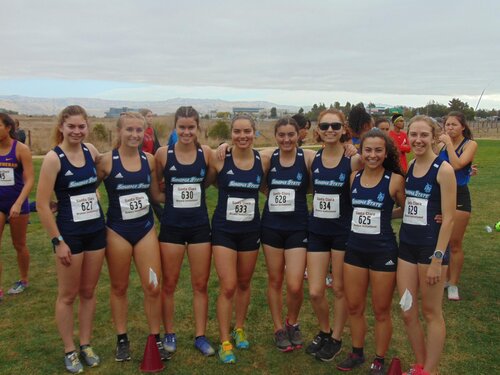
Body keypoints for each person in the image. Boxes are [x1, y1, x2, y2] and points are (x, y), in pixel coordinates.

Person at [36, 105, 106, 374]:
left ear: (87, 127)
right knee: (68, 295)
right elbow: (42, 204)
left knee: (89, 291)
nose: (77, 131)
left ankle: (85, 344)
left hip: (96, 231)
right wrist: (58, 241)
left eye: (81, 126)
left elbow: (101, 176)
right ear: (61, 127)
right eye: (71, 126)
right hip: (70, 234)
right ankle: (69, 349)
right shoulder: (54, 158)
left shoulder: (91, 151)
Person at [96, 112, 168, 361]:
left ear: (146, 132)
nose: (135, 135)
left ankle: (155, 337)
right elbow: (83, 188)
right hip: (117, 230)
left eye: (140, 130)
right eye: (130, 130)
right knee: (119, 287)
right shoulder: (105, 162)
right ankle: (122, 339)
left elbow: (156, 196)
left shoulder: (148, 161)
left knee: (153, 286)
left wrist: (186, 197)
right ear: (119, 131)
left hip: (145, 229)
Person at [337, 129, 405, 374]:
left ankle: (379, 358)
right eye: (368, 150)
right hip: (354, 250)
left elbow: (407, 209)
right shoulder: (353, 177)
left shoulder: (395, 180)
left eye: (378, 150)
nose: (373, 155)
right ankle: (357, 352)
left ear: (386, 152)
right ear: (361, 151)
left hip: (382, 251)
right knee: (354, 306)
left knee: (381, 310)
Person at [155, 106, 216, 357]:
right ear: (175, 127)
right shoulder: (162, 154)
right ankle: (169, 332)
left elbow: (210, 180)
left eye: (191, 127)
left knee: (200, 284)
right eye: (182, 127)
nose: (187, 131)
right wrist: (170, 200)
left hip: (200, 226)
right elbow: (154, 190)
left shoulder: (207, 154)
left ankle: (200, 336)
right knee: (169, 284)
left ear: (198, 127)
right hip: (172, 228)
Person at [397, 115, 456, 375]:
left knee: (431, 312)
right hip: (407, 247)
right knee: (407, 309)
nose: (418, 140)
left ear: (434, 137)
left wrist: (437, 259)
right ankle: (420, 365)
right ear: (408, 137)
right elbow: (410, 208)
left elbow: (450, 219)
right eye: (414, 135)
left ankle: (429, 371)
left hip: (431, 249)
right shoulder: (410, 165)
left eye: (424, 135)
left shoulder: (443, 170)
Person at [208, 114, 268, 364]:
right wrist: (222, 145)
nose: (242, 136)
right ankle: (224, 340)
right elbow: (209, 183)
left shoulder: (262, 160)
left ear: (255, 133)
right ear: (231, 134)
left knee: (244, 283)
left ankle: (239, 327)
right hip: (224, 231)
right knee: (228, 285)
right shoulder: (220, 159)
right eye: (236, 131)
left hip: (251, 231)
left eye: (247, 131)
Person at [305, 109, 363, 362]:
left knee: (339, 289)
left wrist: (357, 150)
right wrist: (224, 146)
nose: (330, 130)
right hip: (317, 231)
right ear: (318, 129)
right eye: (325, 126)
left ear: (343, 129)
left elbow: (382, 166)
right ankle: (325, 330)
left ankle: (337, 338)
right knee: (316, 291)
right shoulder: (312, 158)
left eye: (335, 126)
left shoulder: (353, 160)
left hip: (342, 232)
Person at [259, 117, 315, 352]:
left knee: (294, 284)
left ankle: (292, 321)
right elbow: (258, 182)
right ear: (276, 136)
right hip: (271, 226)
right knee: (275, 280)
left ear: (299, 135)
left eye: (291, 134)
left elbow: (313, 185)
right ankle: (278, 328)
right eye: (281, 135)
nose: (286, 139)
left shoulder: (308, 158)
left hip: (298, 226)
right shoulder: (267, 158)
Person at [438, 111, 477, 301]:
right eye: (447, 125)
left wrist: (448, 145)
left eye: (454, 124)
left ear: (463, 126)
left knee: (454, 242)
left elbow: (457, 164)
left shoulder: (470, 144)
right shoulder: (440, 144)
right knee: (440, 240)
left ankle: (453, 283)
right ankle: (444, 278)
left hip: (459, 194)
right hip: (441, 193)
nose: (450, 128)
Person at [0, 113, 34, 301]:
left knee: (19, 244)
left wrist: (19, 202)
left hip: (17, 203)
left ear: (8, 128)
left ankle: (24, 279)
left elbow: (29, 179)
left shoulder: (21, 149)